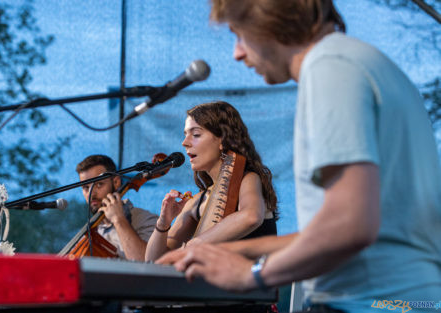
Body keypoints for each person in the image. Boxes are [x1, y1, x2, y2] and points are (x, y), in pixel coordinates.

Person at [158, 1, 441, 312]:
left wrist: (253, 274)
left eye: (239, 34)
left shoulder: (329, 68)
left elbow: (350, 227)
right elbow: (364, 230)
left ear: (270, 19)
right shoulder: (370, 64)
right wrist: (227, 253)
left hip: (365, 302)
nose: (237, 53)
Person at [145, 101, 278, 262]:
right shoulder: (197, 200)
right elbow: (154, 261)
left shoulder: (248, 180)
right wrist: (163, 223)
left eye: (195, 135)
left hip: (250, 284)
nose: (184, 142)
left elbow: (251, 217)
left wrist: (192, 246)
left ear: (222, 140)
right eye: (185, 134)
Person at [76, 154, 158, 260]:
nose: (91, 194)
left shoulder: (145, 219)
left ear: (116, 182)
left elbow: (146, 263)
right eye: (85, 187)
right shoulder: (90, 233)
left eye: (99, 184)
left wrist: (118, 219)